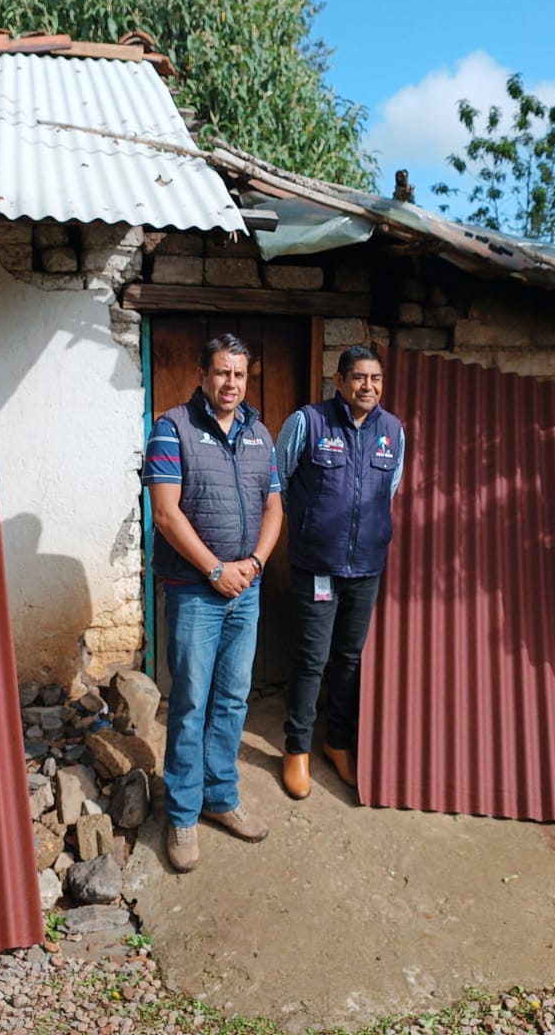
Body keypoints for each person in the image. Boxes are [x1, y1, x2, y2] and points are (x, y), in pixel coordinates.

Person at [143, 333, 284, 872]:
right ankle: (181, 814)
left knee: (232, 700)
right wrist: (215, 570)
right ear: (202, 374)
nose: (232, 384)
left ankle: (221, 798)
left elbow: (274, 507)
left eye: (240, 375)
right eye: (223, 373)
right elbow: (166, 513)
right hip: (195, 593)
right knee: (191, 704)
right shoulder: (172, 428)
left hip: (244, 590)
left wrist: (255, 564)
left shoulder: (259, 433)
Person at [275, 345, 406, 799]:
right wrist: (311, 528)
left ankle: (337, 743)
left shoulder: (393, 431)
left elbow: (388, 489)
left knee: (349, 659)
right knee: (311, 659)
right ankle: (296, 749)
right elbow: (279, 484)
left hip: (366, 567)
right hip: (317, 567)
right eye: (359, 378)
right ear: (339, 380)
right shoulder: (307, 422)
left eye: (376, 379)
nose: (368, 386)